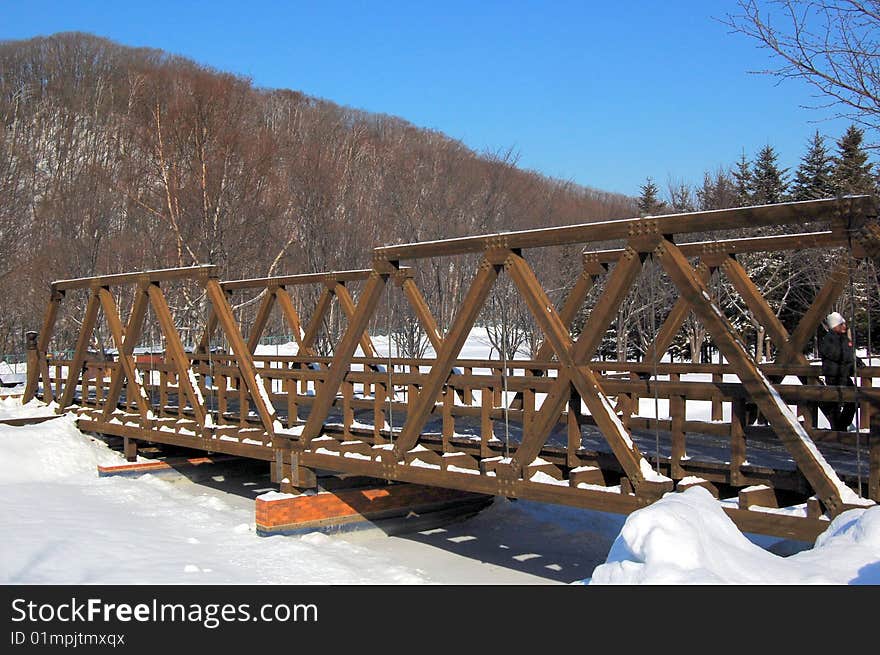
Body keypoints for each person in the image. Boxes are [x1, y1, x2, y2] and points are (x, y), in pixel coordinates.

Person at [819, 311, 857, 431]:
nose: (845, 327)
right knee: (836, 403)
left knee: (853, 400)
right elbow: (837, 355)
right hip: (833, 376)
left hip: (844, 375)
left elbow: (848, 354)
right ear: (835, 326)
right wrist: (851, 358)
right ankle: (839, 427)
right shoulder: (828, 339)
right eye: (842, 324)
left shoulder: (844, 338)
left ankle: (841, 425)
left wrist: (857, 360)